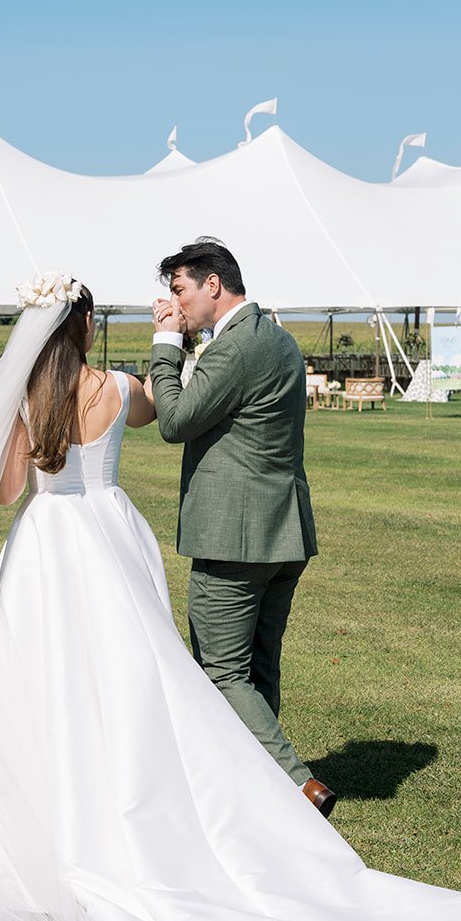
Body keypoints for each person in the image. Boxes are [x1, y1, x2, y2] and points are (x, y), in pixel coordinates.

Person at [0, 270, 461, 921]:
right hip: (110, 537)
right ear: (83, 327)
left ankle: (57, 820)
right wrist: (166, 334)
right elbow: (157, 411)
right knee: (133, 680)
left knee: (34, 683)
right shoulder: (118, 387)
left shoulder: (22, 400)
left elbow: (10, 492)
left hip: (47, 544)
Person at [148, 238, 334, 814]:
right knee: (259, 663)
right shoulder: (276, 338)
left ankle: (299, 785)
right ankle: (256, 790)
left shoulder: (234, 348)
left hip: (235, 534)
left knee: (222, 670)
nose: (174, 303)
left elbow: (175, 420)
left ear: (212, 285)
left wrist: (164, 344)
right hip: (283, 529)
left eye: (178, 289)